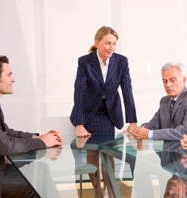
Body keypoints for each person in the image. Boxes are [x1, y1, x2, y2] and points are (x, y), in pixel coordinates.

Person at [0, 54, 62, 198]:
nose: (13, 79)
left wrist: (38, 137)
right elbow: (4, 145)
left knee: (42, 169)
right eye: (9, 75)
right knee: (35, 186)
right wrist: (41, 142)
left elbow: (6, 132)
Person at [69, 26, 137, 197]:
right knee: (92, 153)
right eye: (107, 43)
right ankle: (97, 192)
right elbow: (79, 91)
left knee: (108, 152)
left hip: (109, 113)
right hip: (89, 112)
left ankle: (111, 192)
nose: (111, 48)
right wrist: (79, 123)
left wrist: (132, 121)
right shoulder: (85, 61)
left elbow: (127, 90)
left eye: (114, 44)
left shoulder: (121, 61)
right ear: (97, 42)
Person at [132, 62, 187, 140]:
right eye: (165, 81)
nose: (168, 85)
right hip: (171, 149)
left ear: (184, 80)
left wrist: (150, 134)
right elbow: (153, 124)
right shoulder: (164, 100)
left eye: (172, 80)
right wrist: (140, 130)